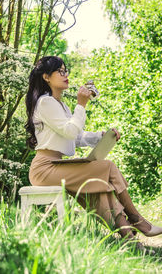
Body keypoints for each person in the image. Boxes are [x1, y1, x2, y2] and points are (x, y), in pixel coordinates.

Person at [25, 56, 162, 250]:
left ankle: (131, 241)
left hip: (58, 166)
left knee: (101, 186)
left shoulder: (61, 105)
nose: (66, 75)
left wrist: (102, 136)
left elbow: (75, 137)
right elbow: (71, 131)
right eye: (60, 71)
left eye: (66, 71)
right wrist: (81, 104)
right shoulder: (45, 102)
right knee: (108, 167)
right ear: (46, 77)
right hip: (45, 169)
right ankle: (137, 220)